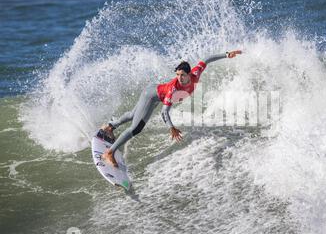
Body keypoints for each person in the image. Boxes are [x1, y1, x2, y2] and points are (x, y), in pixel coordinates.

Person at [101, 50, 242, 167]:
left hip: (154, 91)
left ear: (189, 74)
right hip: (151, 96)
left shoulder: (196, 73)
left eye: (182, 75)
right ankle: (109, 152)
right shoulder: (173, 89)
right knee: (136, 128)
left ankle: (110, 127)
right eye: (177, 75)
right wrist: (171, 127)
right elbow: (164, 112)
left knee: (133, 114)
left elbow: (207, 59)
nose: (180, 78)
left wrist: (227, 54)